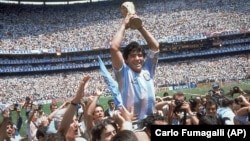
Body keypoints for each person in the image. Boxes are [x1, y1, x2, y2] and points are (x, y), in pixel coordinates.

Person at [110, 12, 160, 121]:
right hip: (134, 124)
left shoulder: (147, 68)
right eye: (133, 56)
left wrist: (139, 26)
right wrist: (124, 25)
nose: (137, 58)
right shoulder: (123, 72)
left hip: (151, 121)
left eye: (140, 55)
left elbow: (155, 46)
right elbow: (114, 47)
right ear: (126, 59)